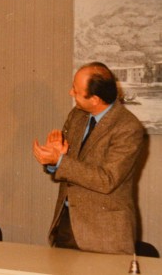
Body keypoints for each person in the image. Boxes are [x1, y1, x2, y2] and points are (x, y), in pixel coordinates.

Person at [32, 62, 145, 254]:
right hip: (66, 227)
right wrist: (53, 161)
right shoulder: (77, 116)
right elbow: (69, 168)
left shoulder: (128, 127)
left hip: (104, 237)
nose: (70, 93)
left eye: (75, 91)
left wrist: (60, 161)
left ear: (94, 99)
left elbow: (107, 179)